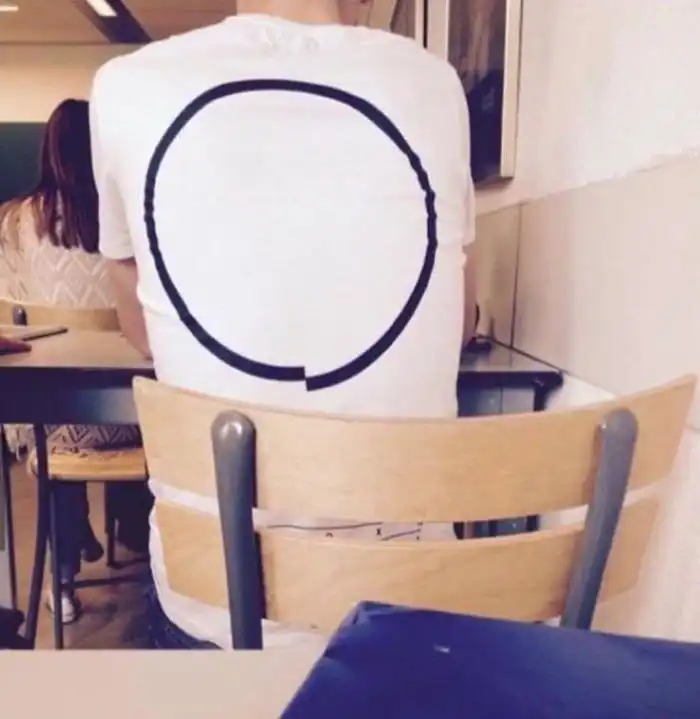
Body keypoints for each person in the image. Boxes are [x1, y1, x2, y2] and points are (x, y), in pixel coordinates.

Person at [90, 0, 477, 649]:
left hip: (218, 609)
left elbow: (145, 330)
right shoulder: (432, 81)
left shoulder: (126, 84)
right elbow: (459, 324)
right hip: (411, 601)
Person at [0, 99, 152, 625]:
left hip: (50, 414)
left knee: (53, 436)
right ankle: (137, 540)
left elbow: (8, 309)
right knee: (140, 411)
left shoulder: (13, 221)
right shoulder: (129, 220)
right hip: (132, 413)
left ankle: (61, 579)